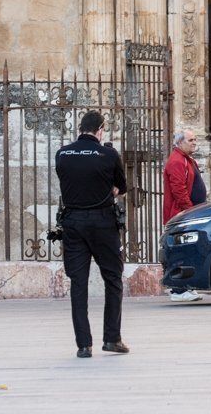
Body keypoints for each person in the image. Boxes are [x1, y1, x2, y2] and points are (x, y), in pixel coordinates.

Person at [55, 111, 130, 358]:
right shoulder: (108, 154)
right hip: (102, 222)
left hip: (73, 222)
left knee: (78, 283)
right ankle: (112, 338)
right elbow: (122, 187)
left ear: (80, 128)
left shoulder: (62, 154)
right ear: (100, 129)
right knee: (113, 278)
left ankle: (83, 345)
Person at [162, 129, 208, 302]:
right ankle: (178, 290)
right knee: (181, 251)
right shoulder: (176, 161)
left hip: (187, 213)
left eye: (195, 139)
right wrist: (190, 211)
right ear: (180, 142)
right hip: (181, 214)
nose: (194, 142)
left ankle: (185, 287)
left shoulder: (186, 159)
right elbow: (179, 190)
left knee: (188, 250)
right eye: (191, 140)